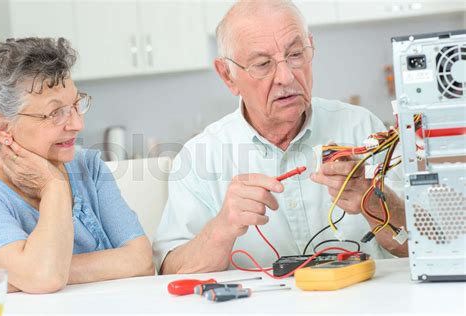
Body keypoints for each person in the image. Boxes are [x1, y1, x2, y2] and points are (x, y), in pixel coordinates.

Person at [153, 0, 408, 275]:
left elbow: (426, 244)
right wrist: (222, 228)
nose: (286, 77)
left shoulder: (362, 128)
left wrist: (374, 201)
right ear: (228, 75)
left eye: (296, 54)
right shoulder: (199, 156)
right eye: (263, 64)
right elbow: (170, 273)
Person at [0, 38, 154, 294]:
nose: (77, 124)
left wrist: (25, 276)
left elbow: (142, 261)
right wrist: (53, 187)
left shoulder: (88, 165)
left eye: (77, 105)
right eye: (55, 112)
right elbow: (45, 277)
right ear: (3, 128)